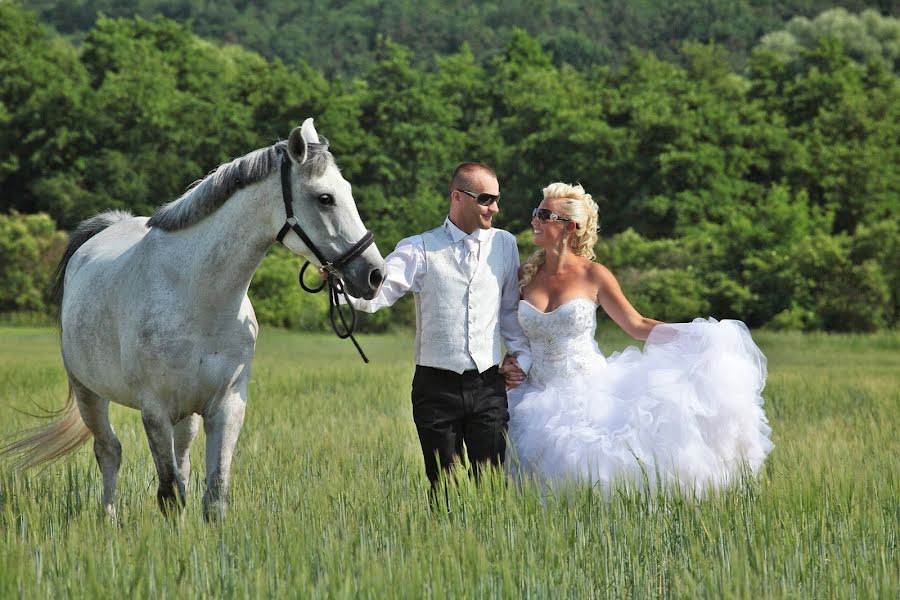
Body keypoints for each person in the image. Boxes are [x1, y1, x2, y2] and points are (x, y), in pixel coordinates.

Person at [503, 182, 773, 494]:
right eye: (537, 212)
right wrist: (509, 363)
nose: (534, 219)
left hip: (586, 396)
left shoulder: (594, 275)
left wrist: (696, 335)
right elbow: (513, 333)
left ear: (570, 226)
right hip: (532, 396)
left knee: (592, 482)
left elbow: (637, 324)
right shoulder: (525, 274)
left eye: (544, 214)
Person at [345, 162, 531, 493]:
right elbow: (378, 294)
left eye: (497, 199)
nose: (495, 208)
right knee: (443, 489)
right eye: (486, 199)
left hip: (488, 386)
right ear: (458, 197)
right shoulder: (418, 247)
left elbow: (509, 311)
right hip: (435, 389)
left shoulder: (505, 244)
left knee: (492, 488)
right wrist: (339, 284)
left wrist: (519, 357)